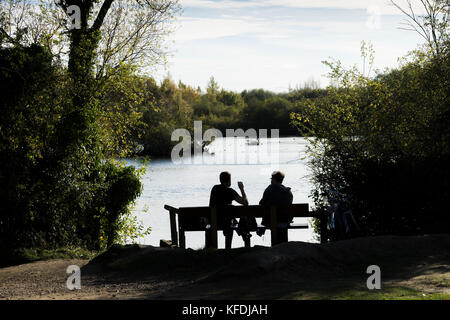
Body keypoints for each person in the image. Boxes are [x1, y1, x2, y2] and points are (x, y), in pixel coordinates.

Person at [209, 171, 248, 249]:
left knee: (230, 218)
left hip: (214, 220)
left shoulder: (214, 188)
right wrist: (242, 189)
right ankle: (229, 247)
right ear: (229, 180)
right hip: (226, 223)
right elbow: (245, 203)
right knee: (230, 219)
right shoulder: (230, 191)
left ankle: (242, 232)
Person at [258, 171, 293, 244]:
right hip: (285, 220)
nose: (271, 181)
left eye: (271, 179)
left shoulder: (270, 189)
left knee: (269, 214)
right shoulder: (288, 192)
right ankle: (283, 248)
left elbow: (261, 204)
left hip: (271, 221)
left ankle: (261, 231)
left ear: (274, 179)